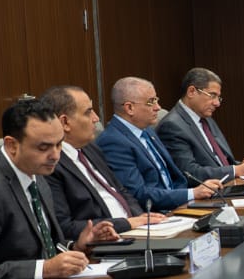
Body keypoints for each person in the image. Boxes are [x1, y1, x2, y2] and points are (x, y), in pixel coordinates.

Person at [0, 98, 119, 279]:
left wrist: (77, 246)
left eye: (59, 144)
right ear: (12, 145)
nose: (55, 155)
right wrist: (44, 269)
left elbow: (46, 244)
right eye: (43, 147)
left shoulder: (36, 169)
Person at [41, 85, 164, 238]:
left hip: (136, 231)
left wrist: (142, 219)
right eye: (88, 112)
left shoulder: (90, 148)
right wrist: (126, 223)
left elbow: (121, 191)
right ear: (65, 123)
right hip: (105, 240)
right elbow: (64, 227)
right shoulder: (51, 165)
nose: (96, 118)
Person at [97, 76, 223, 211]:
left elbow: (175, 178)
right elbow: (138, 194)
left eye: (156, 100)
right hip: (156, 215)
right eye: (151, 102)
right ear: (129, 108)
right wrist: (192, 194)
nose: (158, 107)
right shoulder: (113, 142)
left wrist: (191, 198)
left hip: (179, 206)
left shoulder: (147, 130)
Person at [157, 67, 244, 181]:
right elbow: (189, 173)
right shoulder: (172, 126)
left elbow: (220, 162)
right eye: (212, 95)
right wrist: (236, 170)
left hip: (227, 184)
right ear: (191, 91)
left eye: (218, 97)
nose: (217, 103)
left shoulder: (205, 118)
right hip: (206, 190)